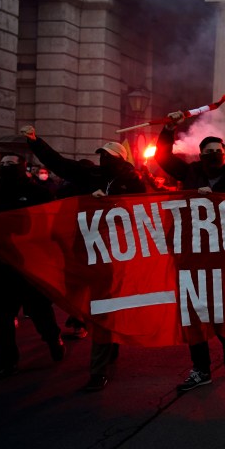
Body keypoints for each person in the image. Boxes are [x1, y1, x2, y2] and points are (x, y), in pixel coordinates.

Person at [21, 125, 146, 391]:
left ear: (121, 159)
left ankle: (98, 369)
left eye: (109, 156)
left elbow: (143, 210)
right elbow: (58, 162)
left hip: (115, 252)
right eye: (102, 155)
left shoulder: (132, 181)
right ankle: (92, 330)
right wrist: (35, 141)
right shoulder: (89, 173)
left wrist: (112, 202)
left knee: (104, 306)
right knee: (81, 298)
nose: (104, 159)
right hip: (83, 248)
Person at [157, 110, 225, 391]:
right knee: (192, 309)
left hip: (218, 254)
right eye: (207, 151)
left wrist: (217, 203)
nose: (212, 154)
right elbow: (162, 157)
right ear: (200, 154)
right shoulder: (189, 173)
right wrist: (169, 128)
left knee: (216, 307)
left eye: (217, 150)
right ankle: (201, 369)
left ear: (223, 153)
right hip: (187, 251)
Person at [0, 153, 65, 378]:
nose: (4, 166)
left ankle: (53, 339)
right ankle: (6, 361)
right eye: (2, 163)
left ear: (22, 167)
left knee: (39, 311)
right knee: (0, 314)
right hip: (0, 266)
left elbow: (52, 224)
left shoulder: (39, 194)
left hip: (29, 267)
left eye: (10, 164)